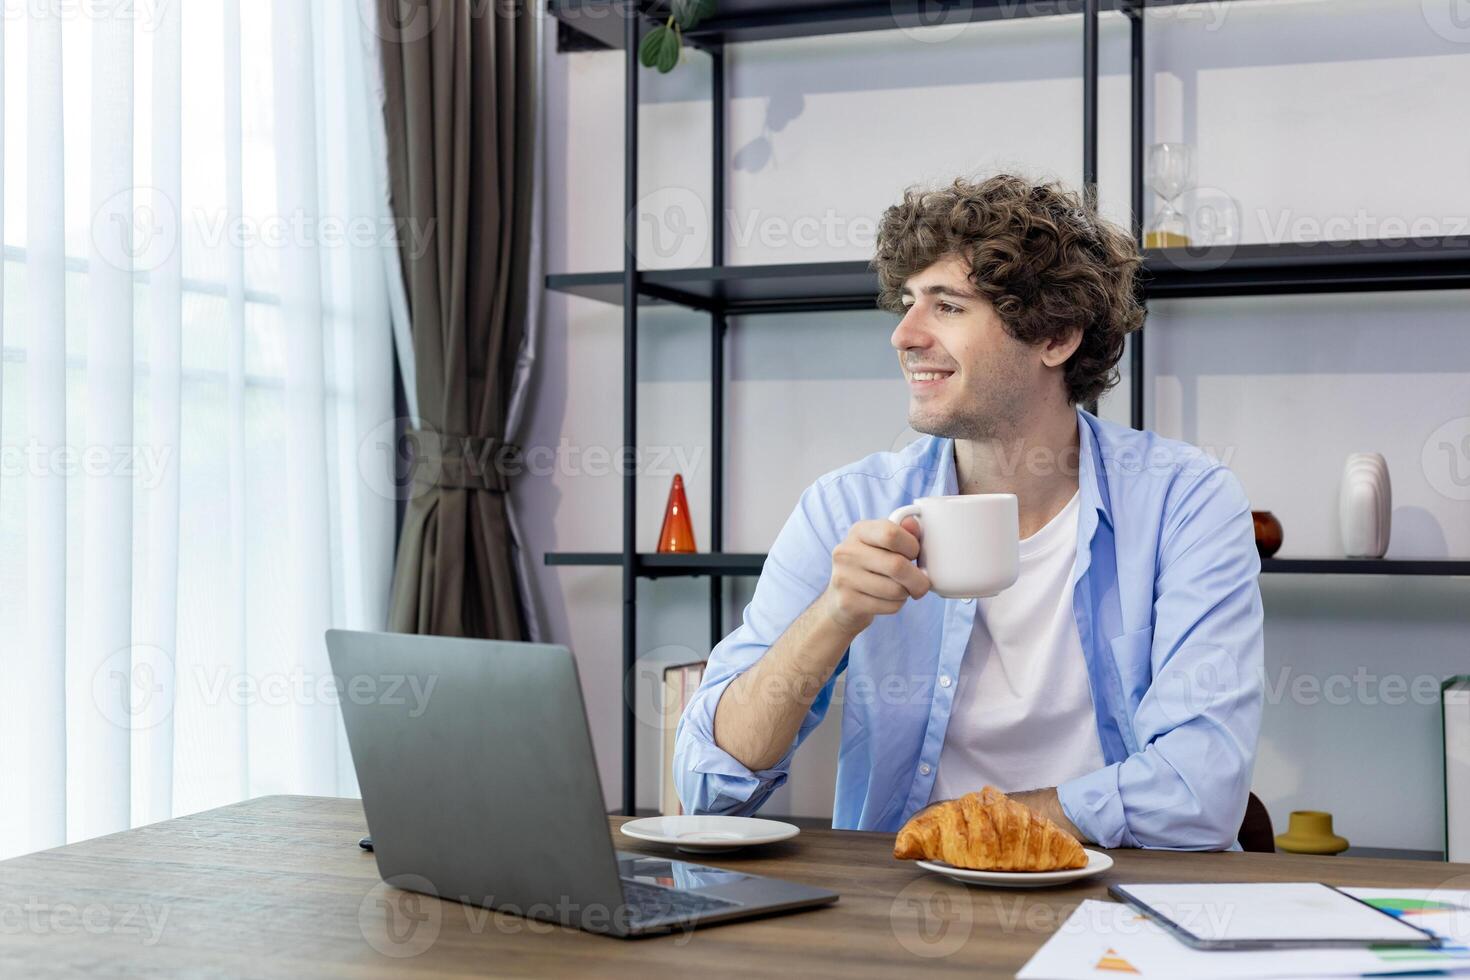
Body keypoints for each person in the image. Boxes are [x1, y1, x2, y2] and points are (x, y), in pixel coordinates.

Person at [673, 174, 1264, 849]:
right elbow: (707, 784)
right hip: (909, 911)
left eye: (947, 306)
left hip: (1118, 901)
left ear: (1056, 336)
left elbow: (1200, 790)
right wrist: (832, 618)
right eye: (906, 302)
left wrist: (969, 827)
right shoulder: (849, 505)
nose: (903, 335)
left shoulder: (1184, 502)